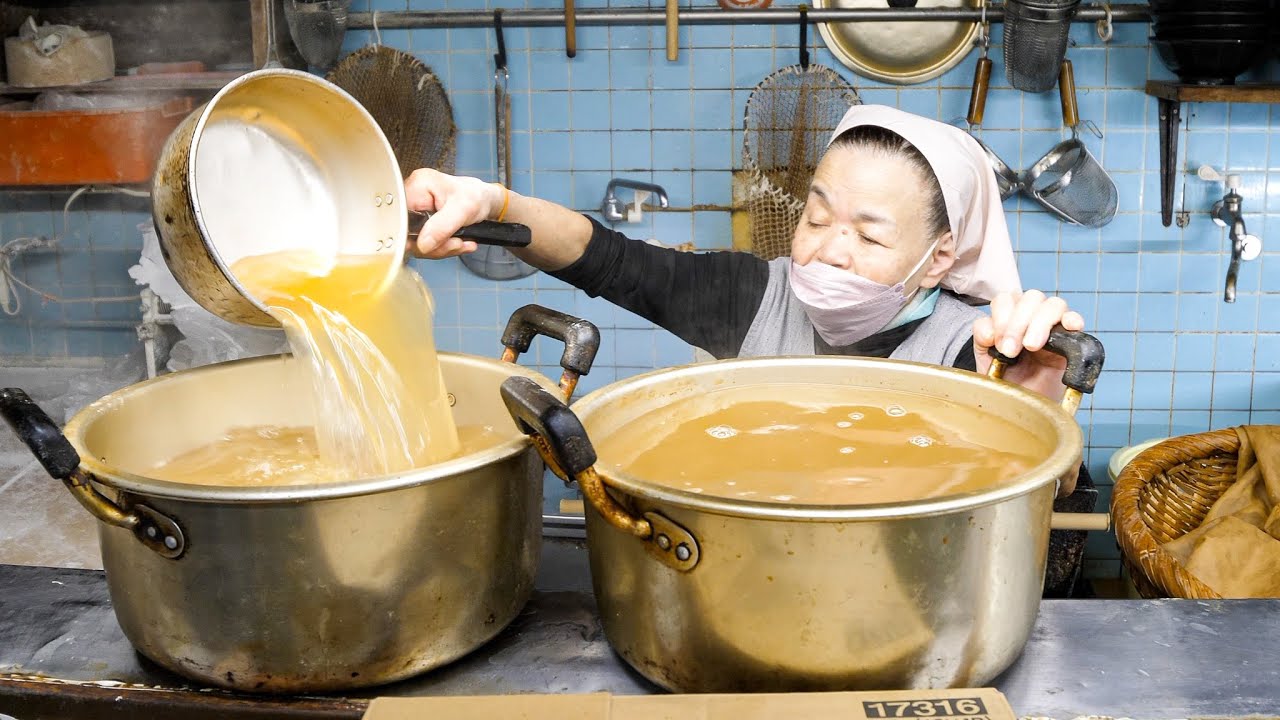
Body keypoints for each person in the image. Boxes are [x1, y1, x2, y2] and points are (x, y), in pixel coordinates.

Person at [405, 104, 1089, 498]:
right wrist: (493, 202)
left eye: (868, 234)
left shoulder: (979, 354)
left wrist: (1033, 408)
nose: (826, 250)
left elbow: (1044, 496)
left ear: (939, 257)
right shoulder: (750, 298)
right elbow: (603, 257)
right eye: (817, 218)